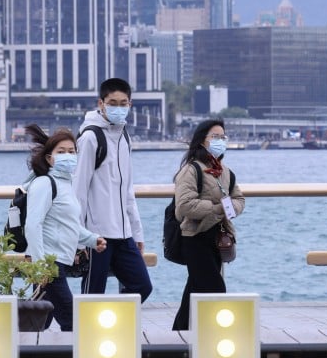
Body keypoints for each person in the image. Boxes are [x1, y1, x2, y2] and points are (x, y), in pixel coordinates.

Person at [72, 77, 153, 302]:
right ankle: (87, 335)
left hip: (124, 234)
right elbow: (78, 191)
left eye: (123, 103)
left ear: (130, 105)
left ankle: (113, 321)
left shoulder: (124, 136)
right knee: (92, 296)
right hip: (97, 235)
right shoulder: (90, 137)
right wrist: (81, 240)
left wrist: (136, 232)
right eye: (112, 102)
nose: (118, 108)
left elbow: (128, 190)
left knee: (142, 286)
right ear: (101, 103)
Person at [22, 124, 107, 331]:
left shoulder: (66, 186)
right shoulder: (44, 183)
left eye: (72, 152)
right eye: (61, 152)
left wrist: (91, 239)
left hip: (57, 261)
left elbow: (69, 226)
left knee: (40, 321)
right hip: (50, 264)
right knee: (74, 322)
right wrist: (41, 265)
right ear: (49, 158)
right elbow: (33, 225)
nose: (68, 156)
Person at [171, 119, 245, 330]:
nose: (220, 141)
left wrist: (230, 208)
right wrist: (218, 208)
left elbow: (239, 199)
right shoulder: (191, 170)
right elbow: (184, 206)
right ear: (202, 140)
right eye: (215, 137)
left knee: (194, 288)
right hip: (194, 237)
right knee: (214, 288)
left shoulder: (225, 172)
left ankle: (181, 331)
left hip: (217, 237)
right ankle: (219, 333)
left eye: (223, 137)